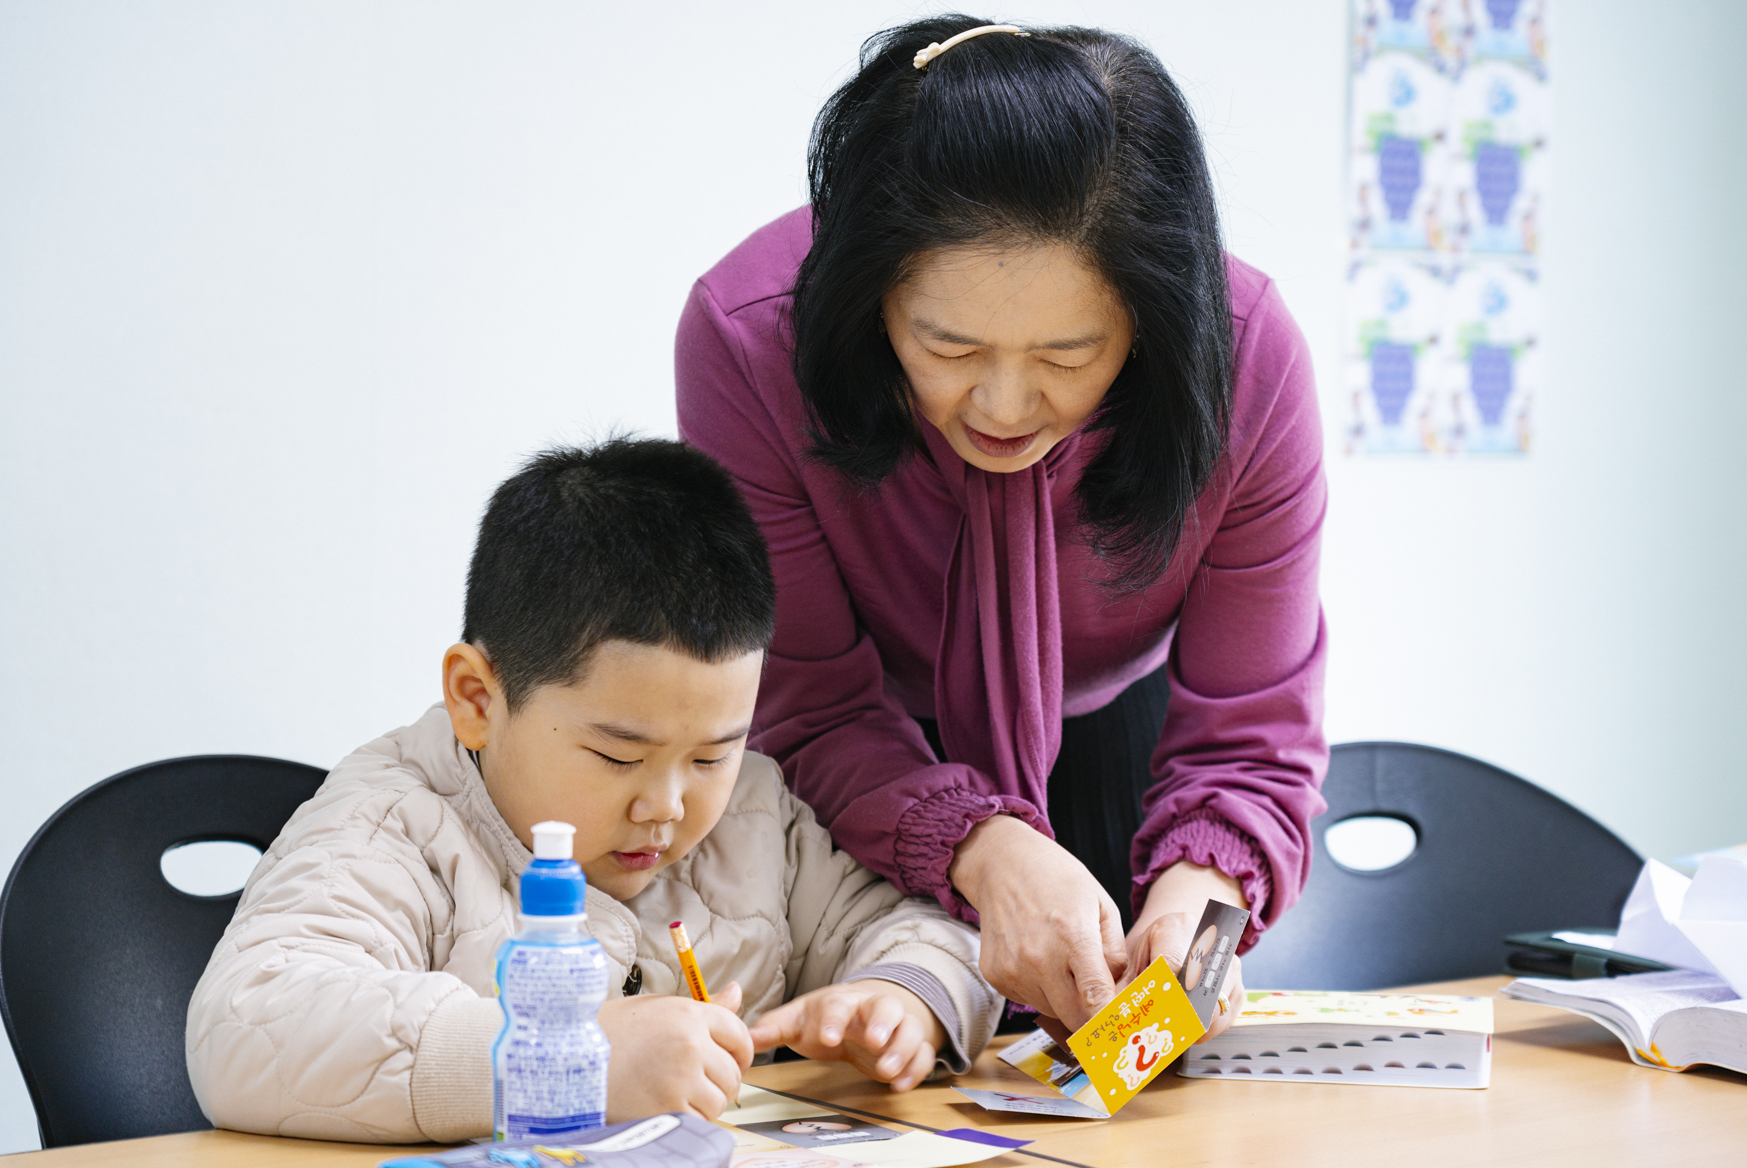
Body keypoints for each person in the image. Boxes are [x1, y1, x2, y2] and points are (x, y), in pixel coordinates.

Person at [676, 16, 1328, 1037]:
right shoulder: (751, 341)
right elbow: (807, 699)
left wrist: (1202, 896)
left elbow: (1253, 728)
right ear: (872, 297)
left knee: (1126, 1064)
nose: (1005, 406)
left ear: (1148, 317)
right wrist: (982, 847)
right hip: (846, 765)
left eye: (1070, 356)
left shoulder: (1246, 363)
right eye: (948, 347)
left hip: (1116, 737)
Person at [185, 439, 1000, 1143]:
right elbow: (248, 1028)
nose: (668, 805)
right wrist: (565, 1061)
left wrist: (901, 997)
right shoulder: (391, 826)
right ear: (477, 700)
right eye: (618, 756)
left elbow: (937, 930)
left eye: (711, 756)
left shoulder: (753, 818)